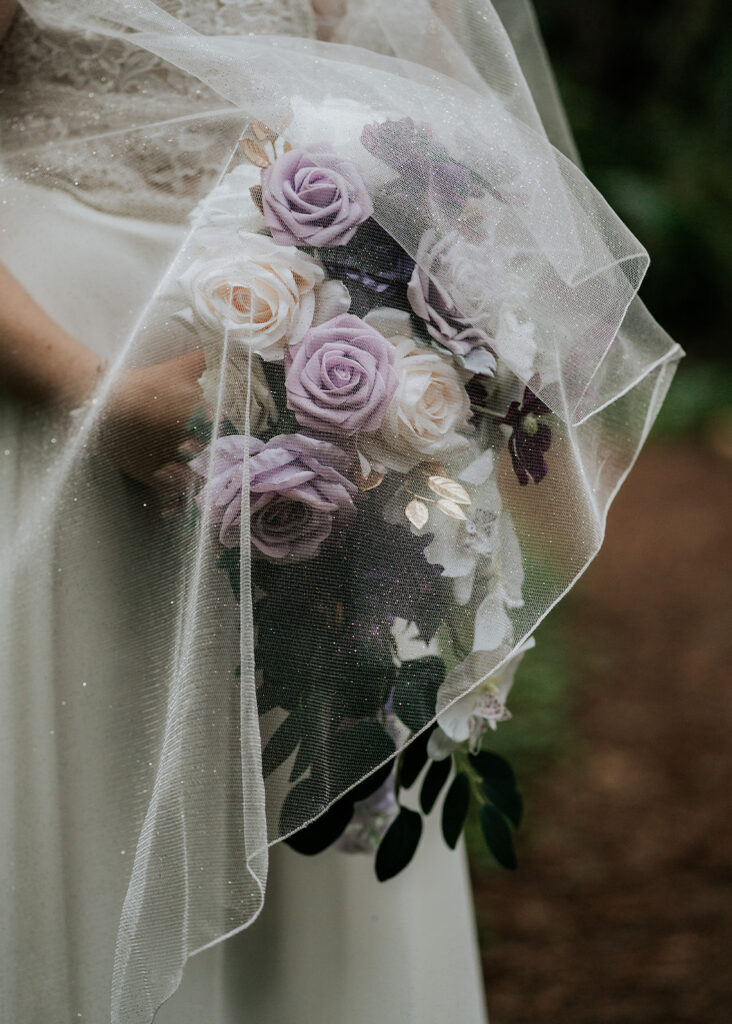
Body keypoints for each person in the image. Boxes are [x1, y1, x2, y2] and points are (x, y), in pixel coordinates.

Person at [0, 2, 489, 1022]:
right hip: (49, 365)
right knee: (93, 760)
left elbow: (429, 135)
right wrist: (96, 395)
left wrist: (390, 361)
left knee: (296, 763)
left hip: (288, 384)